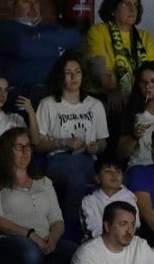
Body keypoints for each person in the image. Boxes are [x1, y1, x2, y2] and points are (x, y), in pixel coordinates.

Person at [0, 125, 73, 264]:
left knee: (75, 253)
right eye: (19, 147)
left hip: (45, 239)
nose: (25, 152)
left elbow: (57, 219)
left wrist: (53, 237)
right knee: (30, 253)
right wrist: (30, 234)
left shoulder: (44, 181)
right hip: (11, 240)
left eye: (28, 147)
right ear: (7, 151)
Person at [33, 53, 109, 225]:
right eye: (68, 73)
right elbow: (37, 145)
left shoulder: (95, 105)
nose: (74, 77)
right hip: (59, 160)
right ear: (60, 77)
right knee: (77, 178)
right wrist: (63, 142)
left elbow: (103, 142)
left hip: (88, 159)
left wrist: (97, 146)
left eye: (77, 72)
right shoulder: (48, 104)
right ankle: (71, 227)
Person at [0, 0, 81, 100]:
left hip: (54, 91)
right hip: (21, 93)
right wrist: (57, 49)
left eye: (36, 1)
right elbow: (24, 48)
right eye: (26, 1)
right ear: (12, 4)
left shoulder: (48, 28)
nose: (33, 7)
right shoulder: (4, 29)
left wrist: (40, 37)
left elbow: (75, 37)